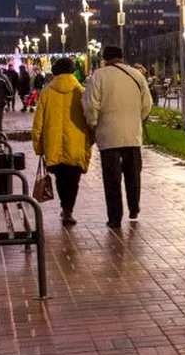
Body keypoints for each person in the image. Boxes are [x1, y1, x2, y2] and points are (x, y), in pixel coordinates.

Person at [82, 45, 153, 230]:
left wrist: (94, 123)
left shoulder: (98, 76)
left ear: (104, 59)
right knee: (133, 174)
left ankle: (114, 218)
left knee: (112, 179)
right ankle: (134, 208)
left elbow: (90, 105)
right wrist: (137, 119)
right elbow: (147, 104)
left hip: (108, 136)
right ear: (122, 58)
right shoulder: (137, 75)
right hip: (132, 135)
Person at [32, 58, 92, 226]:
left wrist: (38, 146)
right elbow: (90, 118)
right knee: (73, 179)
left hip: (53, 144)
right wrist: (90, 139)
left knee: (60, 178)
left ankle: (65, 208)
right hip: (76, 143)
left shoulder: (47, 92)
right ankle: (68, 210)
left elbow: (38, 122)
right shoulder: (81, 91)